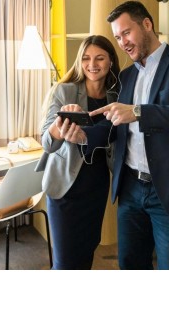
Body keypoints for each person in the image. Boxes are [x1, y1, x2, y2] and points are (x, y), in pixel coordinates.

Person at [85, 0, 169, 269]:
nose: (122, 43)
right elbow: (118, 125)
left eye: (126, 33)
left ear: (147, 24)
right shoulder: (126, 76)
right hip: (130, 189)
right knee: (131, 265)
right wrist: (83, 137)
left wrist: (139, 112)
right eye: (117, 37)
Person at [35, 35, 120, 270]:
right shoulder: (64, 91)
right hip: (65, 188)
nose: (92, 64)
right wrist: (61, 121)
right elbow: (47, 143)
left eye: (100, 58)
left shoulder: (116, 97)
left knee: (86, 252)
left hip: (96, 188)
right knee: (65, 262)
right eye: (86, 58)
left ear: (111, 61)